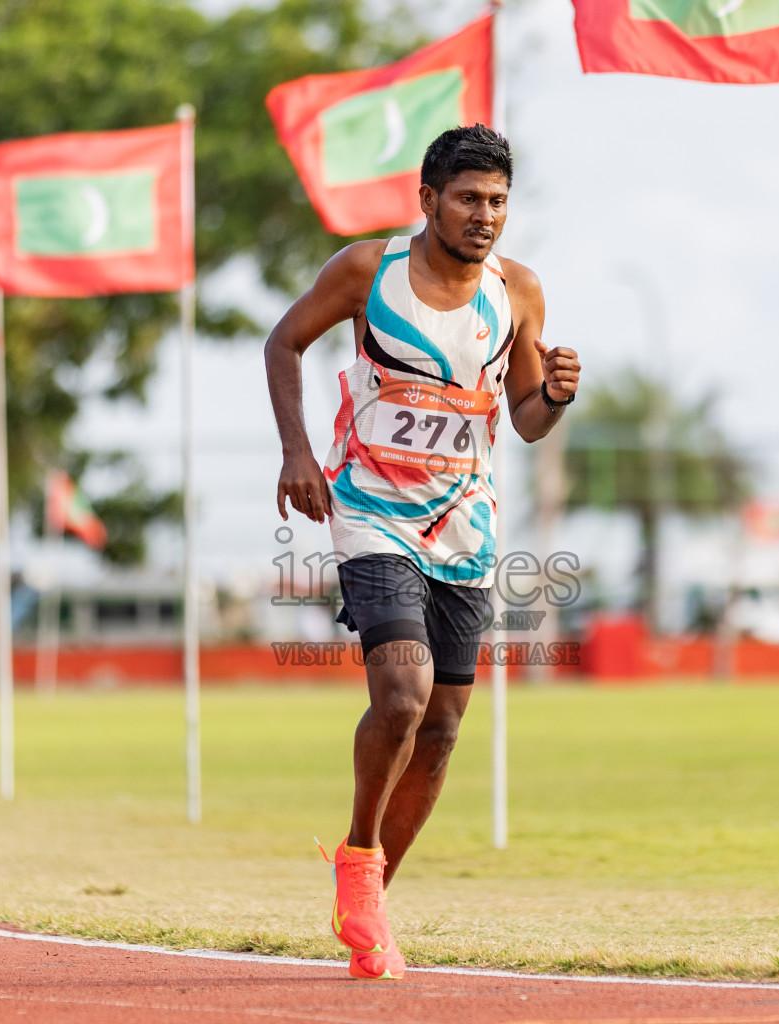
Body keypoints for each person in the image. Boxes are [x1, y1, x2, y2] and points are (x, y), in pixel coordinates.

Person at [263, 125, 581, 980]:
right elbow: (283, 342)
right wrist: (297, 450)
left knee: (440, 730)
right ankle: (358, 854)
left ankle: (369, 898)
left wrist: (554, 396)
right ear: (429, 200)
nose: (486, 215)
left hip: (464, 529)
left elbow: (525, 420)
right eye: (470, 198)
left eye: (499, 201)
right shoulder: (367, 272)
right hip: (371, 513)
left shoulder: (518, 292)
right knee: (401, 696)